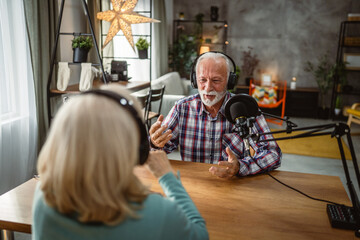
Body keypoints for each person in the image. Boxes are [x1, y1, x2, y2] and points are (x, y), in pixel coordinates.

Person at [32, 84, 208, 240]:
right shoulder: (157, 212)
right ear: (135, 142)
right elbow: (199, 234)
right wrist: (167, 178)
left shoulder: (43, 196)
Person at [149, 52, 281, 178]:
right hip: (194, 184)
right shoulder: (182, 108)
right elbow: (156, 151)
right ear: (195, 80)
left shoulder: (244, 108)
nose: (207, 88)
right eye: (202, 80)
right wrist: (154, 143)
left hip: (232, 186)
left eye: (216, 80)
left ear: (230, 81)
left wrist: (240, 167)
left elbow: (273, 154)